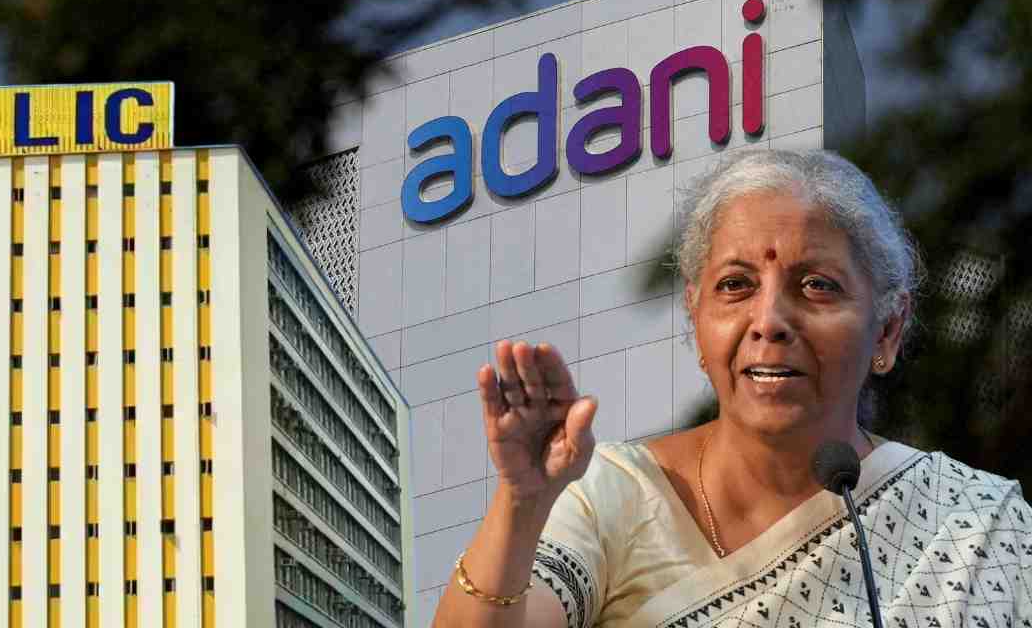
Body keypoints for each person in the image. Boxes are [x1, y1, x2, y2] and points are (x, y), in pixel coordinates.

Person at [431, 147, 1032, 627]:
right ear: (696, 317)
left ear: (888, 329)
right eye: (736, 285)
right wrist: (523, 504)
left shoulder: (975, 525)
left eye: (817, 285)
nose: (768, 321)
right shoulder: (612, 494)